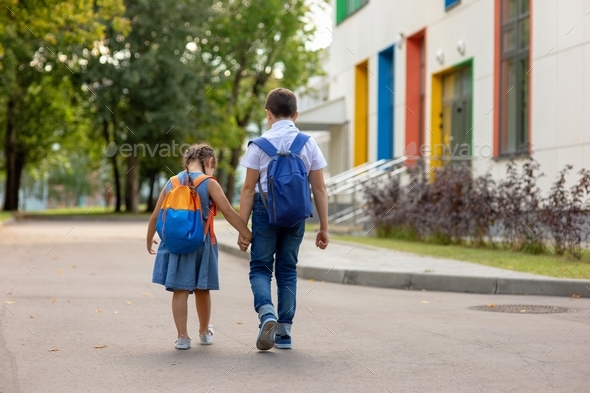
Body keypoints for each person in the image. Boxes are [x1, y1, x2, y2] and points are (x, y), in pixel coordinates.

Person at [238, 87, 330, 351]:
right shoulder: (308, 144)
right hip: (296, 215)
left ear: (268, 114)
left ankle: (267, 313)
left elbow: (247, 190)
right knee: (288, 270)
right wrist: (324, 227)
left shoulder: (258, 145)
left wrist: (243, 228)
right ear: (296, 114)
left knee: (260, 268)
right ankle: (284, 332)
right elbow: (320, 189)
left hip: (265, 212)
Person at [146, 143, 252, 350]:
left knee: (180, 289)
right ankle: (204, 332)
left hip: (175, 244)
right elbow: (229, 212)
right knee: (202, 288)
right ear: (210, 162)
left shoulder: (171, 182)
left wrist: (149, 238)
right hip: (202, 244)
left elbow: (155, 215)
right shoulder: (209, 183)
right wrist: (247, 234)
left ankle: (182, 337)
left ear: (186, 162)